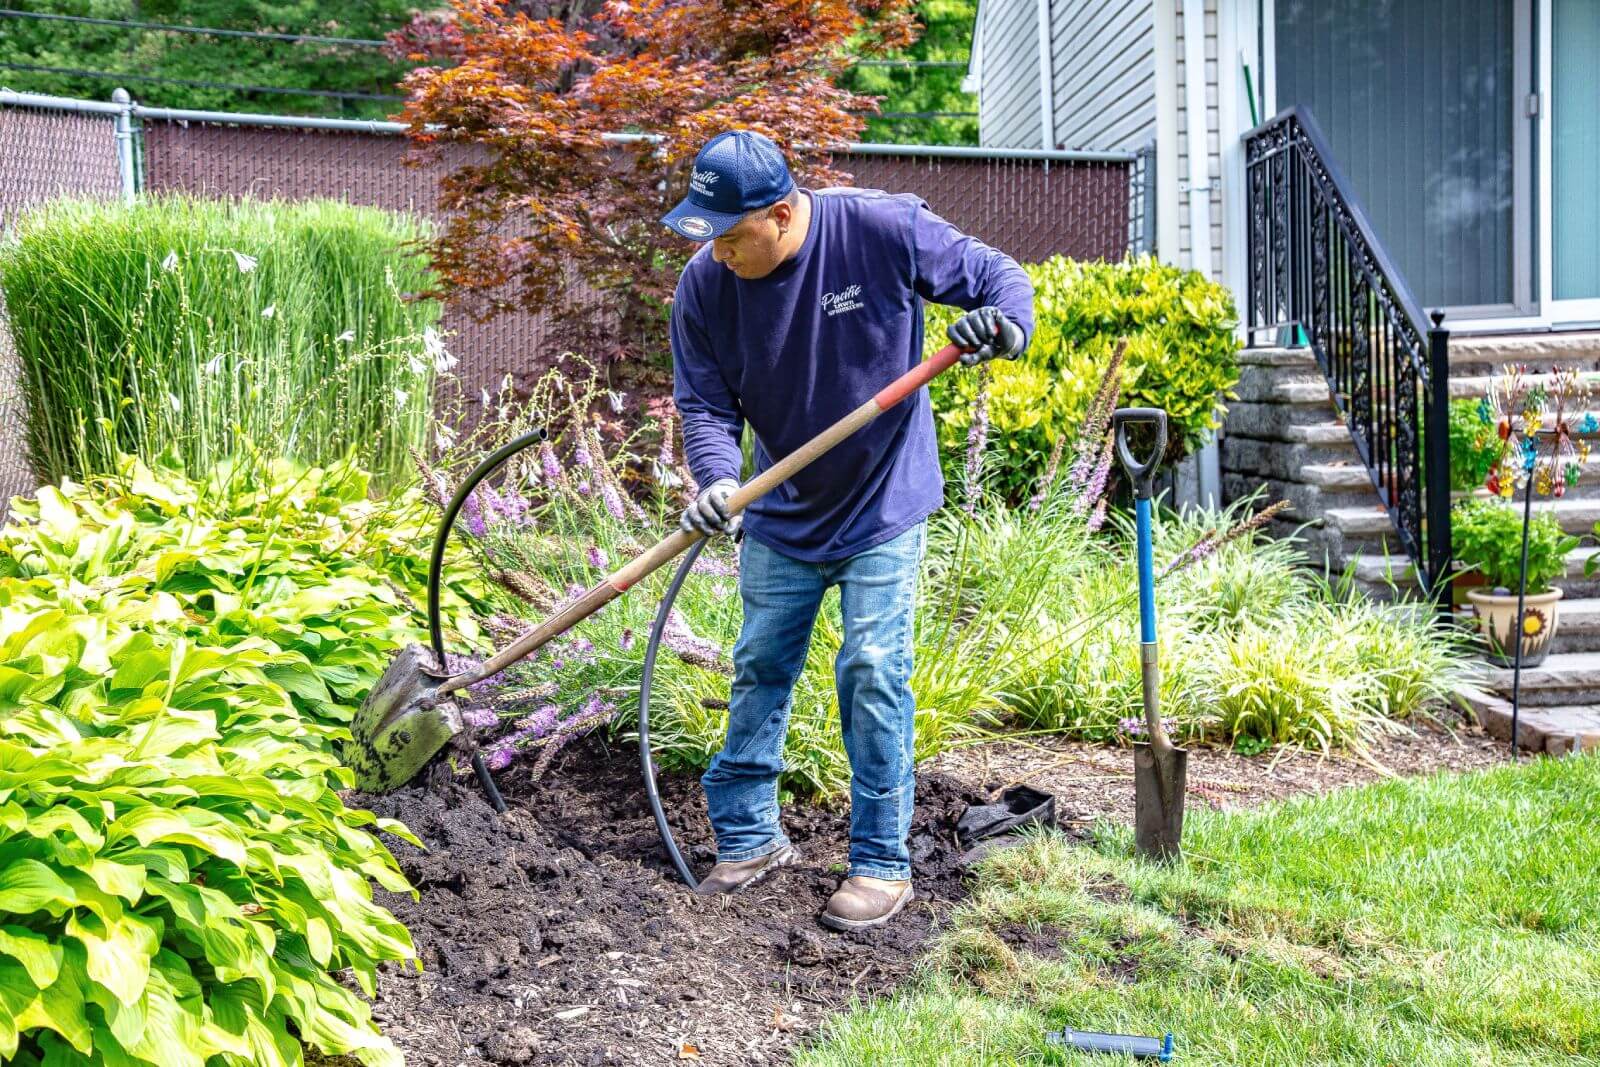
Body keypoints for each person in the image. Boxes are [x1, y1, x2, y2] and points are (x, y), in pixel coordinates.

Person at [661, 129, 1034, 931]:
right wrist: (721, 481)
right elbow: (704, 406)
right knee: (760, 663)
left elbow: (998, 280)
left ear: (784, 213)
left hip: (882, 500)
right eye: (708, 238)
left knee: (871, 664)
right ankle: (752, 837)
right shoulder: (704, 287)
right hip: (784, 510)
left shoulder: (880, 228)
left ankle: (880, 863)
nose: (718, 254)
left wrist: (1003, 327)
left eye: (731, 237)